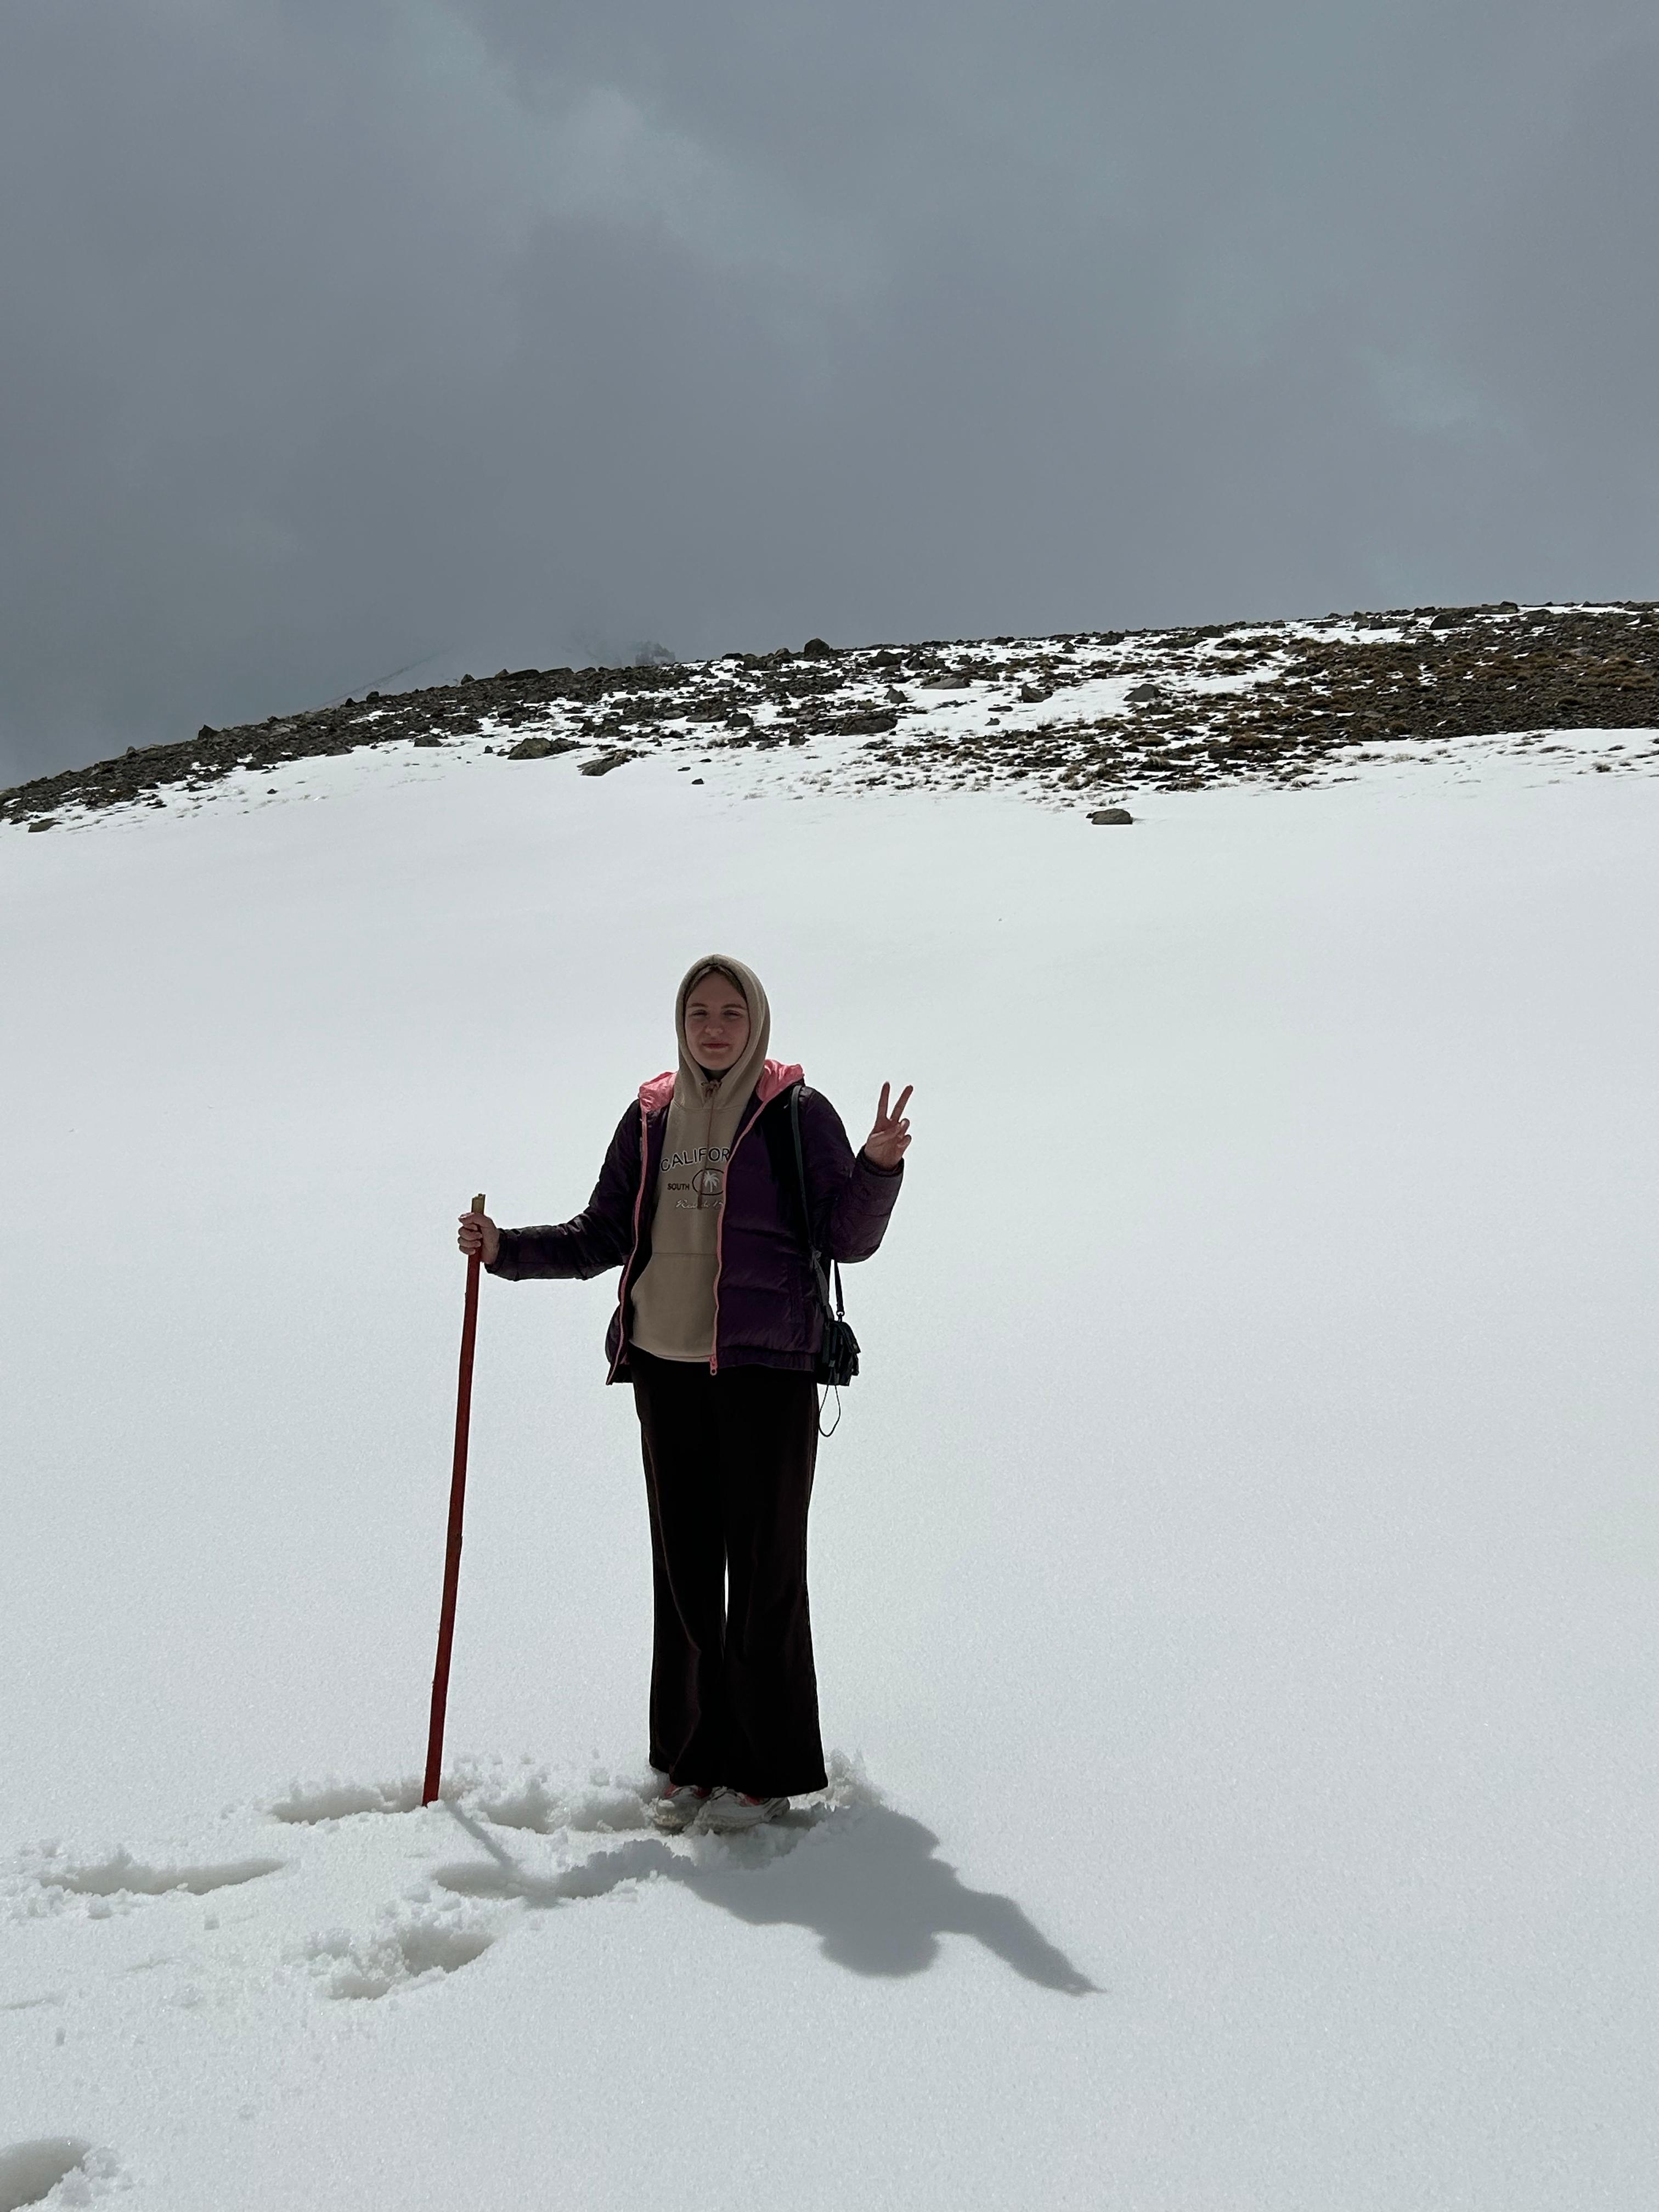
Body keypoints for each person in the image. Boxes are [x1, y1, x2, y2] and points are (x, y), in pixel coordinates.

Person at [457, 956, 910, 1833]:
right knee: (687, 1570)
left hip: (765, 1370)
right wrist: (504, 1247)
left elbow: (846, 1239)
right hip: (664, 1368)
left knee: (767, 1569)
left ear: (757, 1021)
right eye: (699, 1012)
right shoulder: (651, 1114)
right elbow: (600, 1232)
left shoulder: (795, 1112)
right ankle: (695, 1756)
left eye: (730, 1013)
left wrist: (877, 1169)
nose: (714, 1028)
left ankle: (765, 1766)